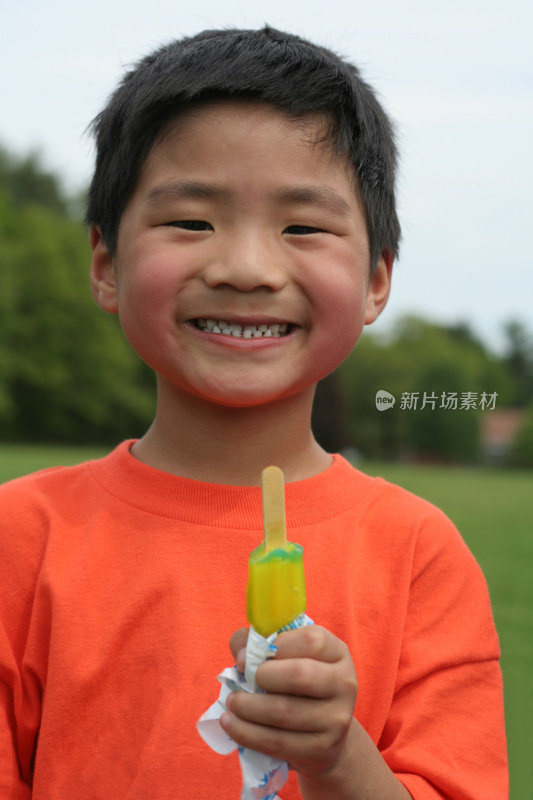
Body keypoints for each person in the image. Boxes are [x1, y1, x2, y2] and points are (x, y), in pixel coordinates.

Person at [0, 26, 507, 800]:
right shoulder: (20, 541)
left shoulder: (418, 556)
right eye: (191, 222)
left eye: (302, 227)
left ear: (376, 280)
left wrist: (337, 759)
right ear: (106, 264)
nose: (245, 269)